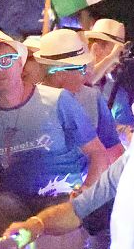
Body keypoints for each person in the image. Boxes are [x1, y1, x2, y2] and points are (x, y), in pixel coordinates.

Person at [0, 30, 109, 241]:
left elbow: (97, 152)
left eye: (6, 61)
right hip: (12, 202)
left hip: (61, 198)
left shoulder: (58, 101)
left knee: (59, 213)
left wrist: (87, 191)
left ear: (20, 64)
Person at [35, 29, 124, 162]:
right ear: (59, 73)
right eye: (81, 68)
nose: (86, 73)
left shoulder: (93, 98)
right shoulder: (30, 103)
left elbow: (114, 149)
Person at [84, 18, 134, 126]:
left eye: (120, 53)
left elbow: (125, 124)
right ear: (96, 48)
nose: (118, 60)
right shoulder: (74, 74)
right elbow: (87, 81)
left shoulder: (115, 90)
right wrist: (111, 58)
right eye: (115, 52)